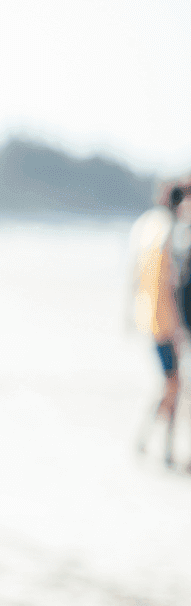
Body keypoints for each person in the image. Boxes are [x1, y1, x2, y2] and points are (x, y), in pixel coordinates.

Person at [132, 181, 185, 465]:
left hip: (151, 317)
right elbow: (167, 282)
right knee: (173, 385)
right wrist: (177, 326)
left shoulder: (150, 226)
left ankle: (152, 442)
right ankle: (163, 448)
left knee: (171, 385)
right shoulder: (168, 231)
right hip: (165, 321)